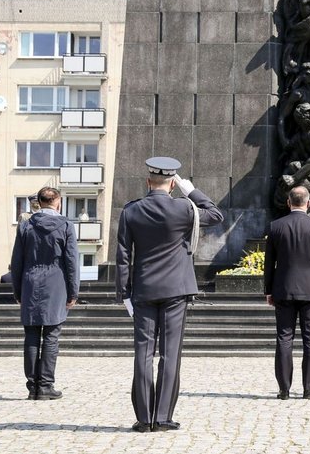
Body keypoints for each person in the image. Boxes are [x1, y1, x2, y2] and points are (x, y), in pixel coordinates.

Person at [116, 157, 223, 432]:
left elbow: (123, 255)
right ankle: (162, 417)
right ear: (173, 184)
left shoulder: (131, 211)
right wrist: (191, 191)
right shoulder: (184, 208)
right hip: (176, 290)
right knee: (170, 353)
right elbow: (215, 214)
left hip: (143, 289)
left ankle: (143, 418)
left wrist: (124, 293)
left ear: (148, 182)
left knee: (143, 352)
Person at [10, 187, 79, 401]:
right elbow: (71, 261)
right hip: (56, 282)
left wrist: (17, 290)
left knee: (31, 334)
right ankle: (46, 385)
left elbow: (17, 261)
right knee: (51, 334)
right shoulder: (66, 225)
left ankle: (33, 386)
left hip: (30, 281)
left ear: (39, 203)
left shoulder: (25, 226)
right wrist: (73, 291)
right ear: (57, 201)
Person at [264, 186, 310, 400]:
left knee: (284, 338)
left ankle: (284, 389)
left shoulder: (276, 226)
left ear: (288, 202)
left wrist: (268, 289)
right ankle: (308, 389)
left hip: (283, 289)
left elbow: (269, 263)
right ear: (308, 203)